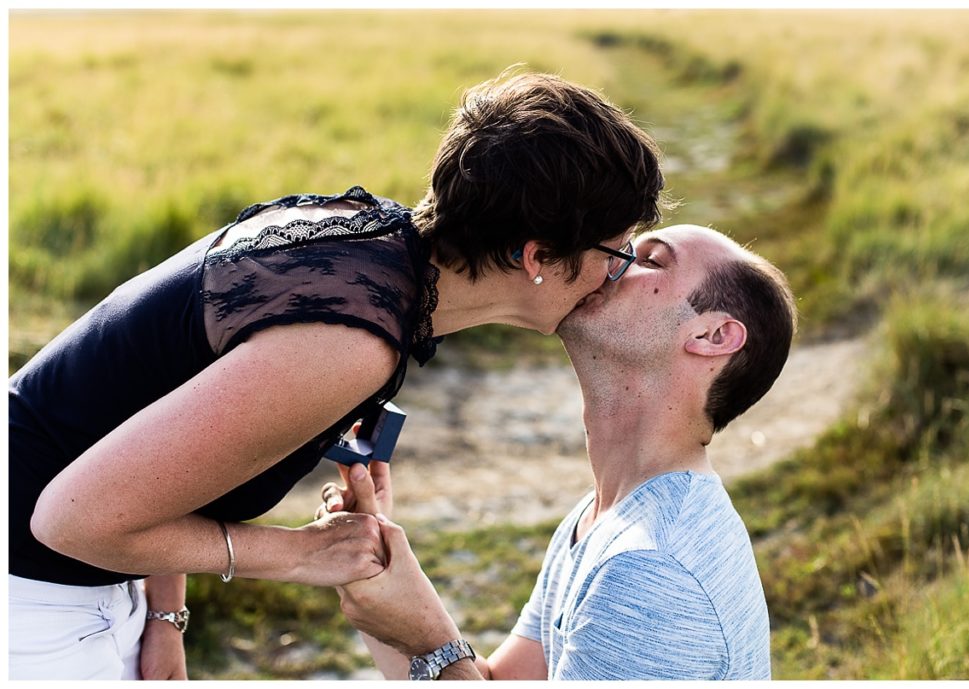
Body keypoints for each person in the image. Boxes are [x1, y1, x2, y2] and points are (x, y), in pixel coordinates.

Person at [7, 70, 664, 680]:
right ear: (537, 256)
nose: (620, 271)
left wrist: (164, 613)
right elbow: (69, 520)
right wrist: (301, 554)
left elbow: (150, 406)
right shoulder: (350, 341)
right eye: (616, 250)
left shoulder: (367, 246)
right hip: (32, 600)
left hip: (79, 577)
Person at [327, 224, 797, 680]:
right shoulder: (602, 517)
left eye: (649, 260)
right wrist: (375, 563)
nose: (611, 261)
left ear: (712, 337)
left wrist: (426, 636)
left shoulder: (652, 567)